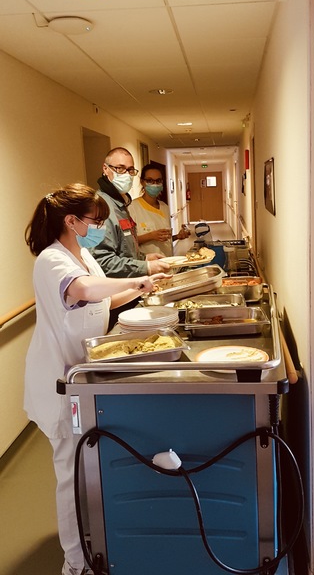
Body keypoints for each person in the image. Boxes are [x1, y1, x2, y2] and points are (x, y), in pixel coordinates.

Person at [24, 183, 168, 575]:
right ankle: (75, 563)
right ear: (71, 221)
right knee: (70, 476)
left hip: (84, 375)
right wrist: (134, 279)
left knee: (87, 468)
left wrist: (142, 288)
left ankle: (98, 541)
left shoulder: (82, 253)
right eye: (95, 220)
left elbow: (101, 299)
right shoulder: (51, 259)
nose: (100, 227)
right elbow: (83, 289)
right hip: (60, 380)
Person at [90, 148, 171, 328]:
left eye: (130, 170)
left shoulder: (120, 204)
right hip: (114, 297)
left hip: (131, 291)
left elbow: (124, 249)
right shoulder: (101, 207)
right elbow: (102, 261)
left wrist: (145, 258)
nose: (126, 174)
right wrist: (145, 267)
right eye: (120, 168)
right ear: (105, 169)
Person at [130, 163, 191, 256]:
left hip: (167, 261)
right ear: (142, 182)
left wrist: (177, 236)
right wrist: (151, 236)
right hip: (148, 263)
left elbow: (165, 240)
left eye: (158, 181)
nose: (155, 184)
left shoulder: (164, 207)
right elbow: (127, 243)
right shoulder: (133, 207)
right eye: (150, 180)